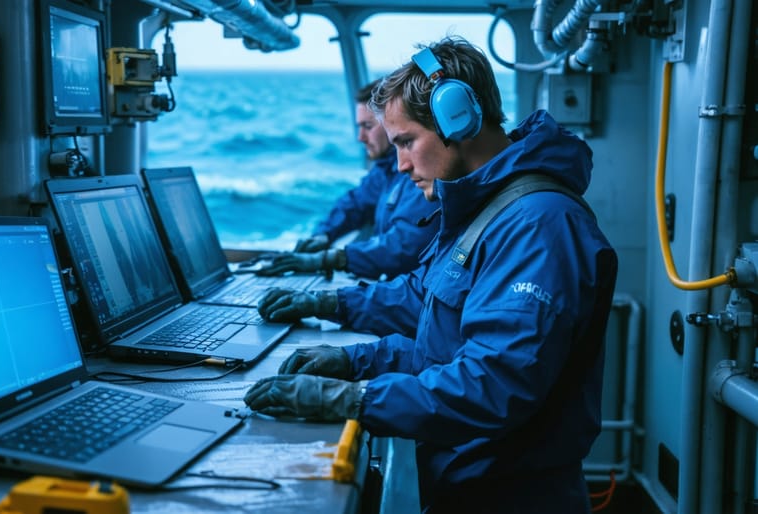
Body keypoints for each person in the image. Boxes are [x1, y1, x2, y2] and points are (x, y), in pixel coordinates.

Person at [244, 35, 618, 514]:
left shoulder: (539, 225)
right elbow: (436, 333)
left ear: (457, 121)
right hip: (467, 482)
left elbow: (493, 384)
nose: (399, 165)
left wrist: (353, 400)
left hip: (511, 495)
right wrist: (354, 360)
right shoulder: (488, 210)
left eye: (406, 142)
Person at [256, 79, 439, 280]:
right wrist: (324, 234)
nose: (360, 137)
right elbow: (354, 203)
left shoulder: (421, 174)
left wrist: (331, 259)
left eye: (367, 126)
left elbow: (404, 246)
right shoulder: (386, 170)